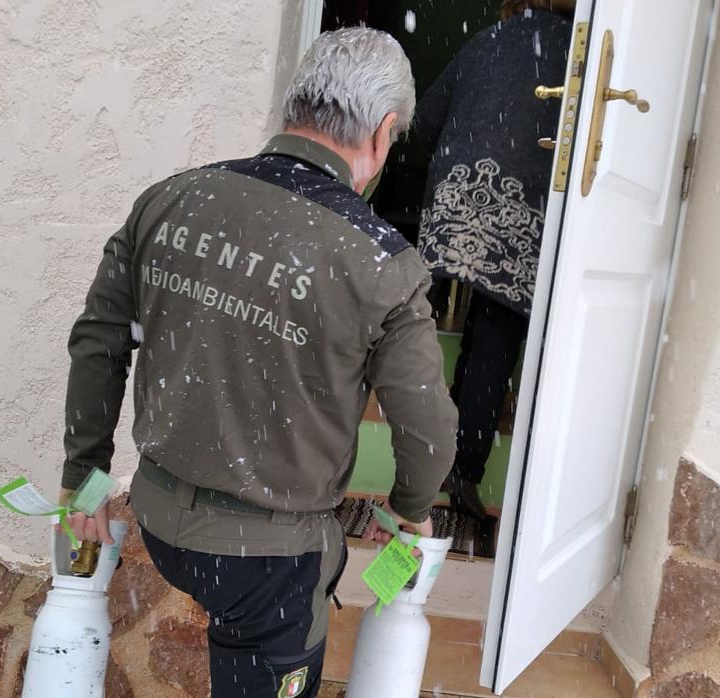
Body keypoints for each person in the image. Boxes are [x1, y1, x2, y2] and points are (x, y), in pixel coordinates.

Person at [57, 27, 458, 698]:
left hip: (159, 520)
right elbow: (427, 429)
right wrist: (410, 510)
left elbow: (98, 341)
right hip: (268, 563)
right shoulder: (384, 264)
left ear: (292, 108)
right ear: (384, 133)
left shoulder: (173, 198)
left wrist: (84, 480)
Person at [414, 0, 573, 521]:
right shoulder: (581, 55)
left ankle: (406, 448)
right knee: (494, 338)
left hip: (456, 194)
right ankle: (463, 469)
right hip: (523, 207)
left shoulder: (484, 41)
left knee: (405, 316)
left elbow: (425, 118)